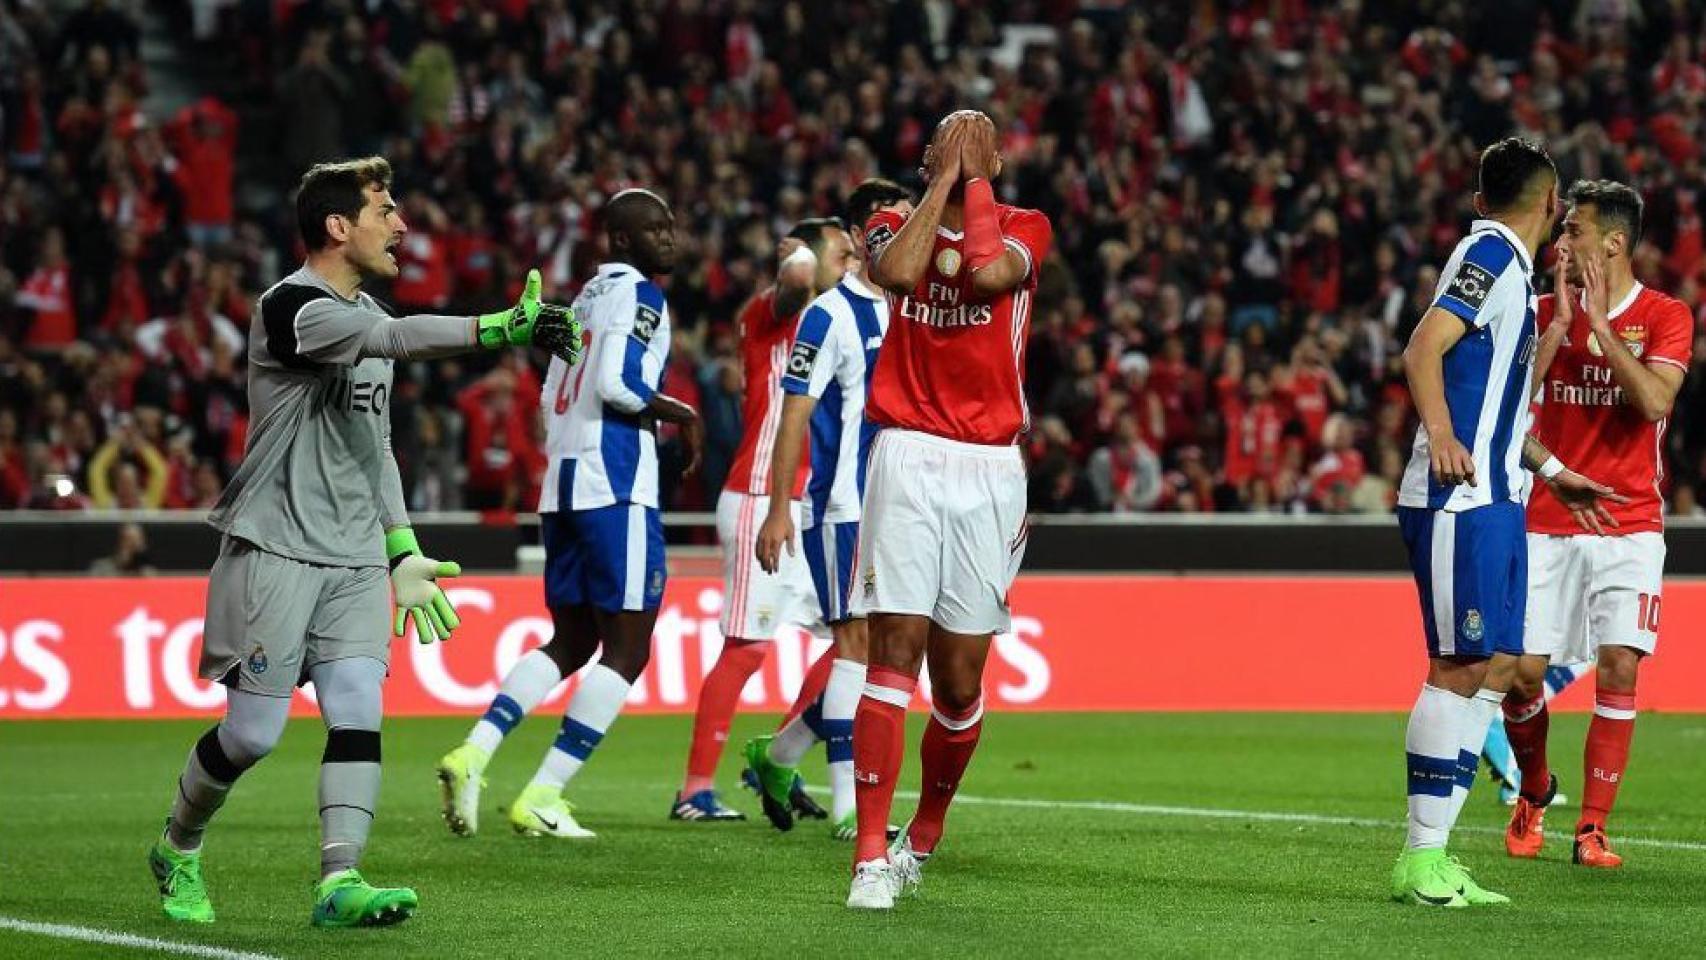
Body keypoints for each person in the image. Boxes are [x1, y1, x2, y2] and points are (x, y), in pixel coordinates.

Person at [147, 156, 582, 928]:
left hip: (351, 559)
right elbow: (397, 337)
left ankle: (339, 881)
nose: (402, 225)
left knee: (357, 713)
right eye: (386, 210)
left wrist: (402, 549)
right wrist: (498, 328)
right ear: (338, 226)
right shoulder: (292, 308)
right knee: (253, 735)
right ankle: (178, 845)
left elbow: (373, 446)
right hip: (277, 544)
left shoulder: (367, 312)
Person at [1390, 138, 1622, 908]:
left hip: (1499, 497)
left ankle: (1438, 852)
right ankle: (1421, 858)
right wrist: (1441, 434)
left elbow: (1500, 404)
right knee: (1458, 667)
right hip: (1459, 497)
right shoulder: (1486, 254)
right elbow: (1422, 348)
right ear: (1551, 203)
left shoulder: (1516, 275)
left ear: (1483, 197)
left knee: (1494, 667)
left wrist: (1554, 471)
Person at [437, 189, 703, 841]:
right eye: (656, 228)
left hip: (563, 484)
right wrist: (683, 414)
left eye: (671, 226)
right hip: (615, 482)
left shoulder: (580, 301)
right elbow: (617, 384)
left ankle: (473, 753)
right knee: (629, 648)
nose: (670, 238)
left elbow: (549, 399)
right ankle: (544, 794)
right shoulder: (642, 294)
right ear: (621, 239)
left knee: (574, 640)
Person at [842, 111, 1052, 909]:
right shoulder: (892, 223)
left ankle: (921, 836)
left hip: (989, 468)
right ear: (926, 157)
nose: (963, 151)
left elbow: (992, 276)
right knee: (893, 650)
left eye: (979, 142)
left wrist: (977, 184)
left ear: (997, 162)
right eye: (948, 142)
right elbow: (897, 274)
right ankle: (868, 857)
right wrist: (941, 187)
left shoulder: (1028, 225)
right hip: (906, 453)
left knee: (959, 684)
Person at [1502, 180, 1694, 868]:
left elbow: (1653, 402)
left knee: (1619, 665)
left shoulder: (1667, 315)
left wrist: (1602, 329)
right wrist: (1560, 327)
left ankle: (1592, 828)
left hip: (1629, 521)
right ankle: (1534, 788)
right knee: (1521, 676)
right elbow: (1505, 415)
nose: (1560, 241)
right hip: (1545, 517)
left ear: (1613, 243)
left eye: (1573, 230)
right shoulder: (1540, 312)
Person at [669, 217, 852, 823]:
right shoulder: (769, 315)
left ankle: (774, 759)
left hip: (815, 504)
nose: (852, 266)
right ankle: (694, 789)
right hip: (760, 498)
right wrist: (798, 258)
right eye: (842, 256)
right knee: (747, 649)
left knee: (852, 642)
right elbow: (796, 282)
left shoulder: (841, 323)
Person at [748, 178, 914, 841]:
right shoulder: (828, 315)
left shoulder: (911, 308)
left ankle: (779, 754)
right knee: (855, 646)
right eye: (889, 224)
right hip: (843, 505)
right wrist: (779, 508)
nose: (902, 234)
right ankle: (850, 806)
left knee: (885, 651)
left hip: (902, 503)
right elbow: (794, 414)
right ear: (856, 237)